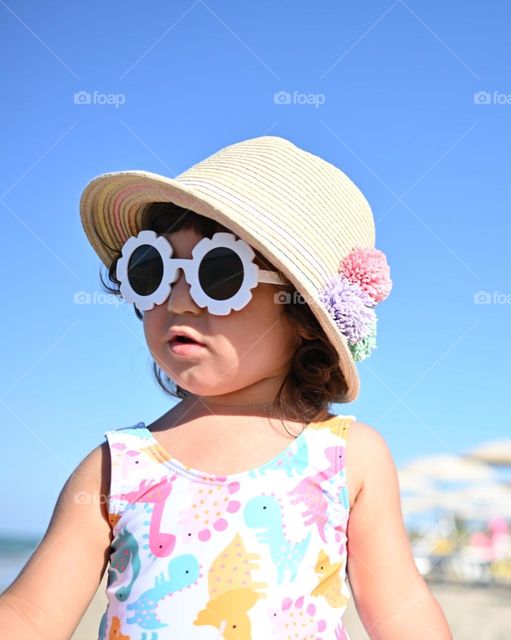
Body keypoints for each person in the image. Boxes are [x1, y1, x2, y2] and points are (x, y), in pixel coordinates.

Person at [0, 136, 453, 639]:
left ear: (304, 315)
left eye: (218, 274)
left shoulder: (347, 456)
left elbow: (401, 607)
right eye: (152, 269)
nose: (180, 300)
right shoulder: (116, 466)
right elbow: (32, 615)